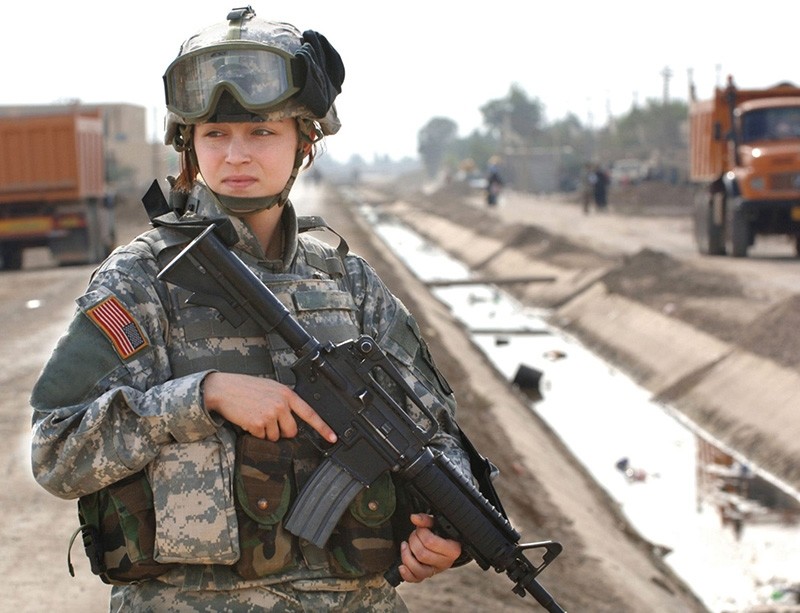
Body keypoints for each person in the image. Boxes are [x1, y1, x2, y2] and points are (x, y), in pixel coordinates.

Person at [30, 7, 470, 611]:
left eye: (262, 132)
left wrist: (445, 537)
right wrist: (202, 395)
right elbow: (56, 451)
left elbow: (439, 435)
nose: (236, 155)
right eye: (215, 134)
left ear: (303, 143)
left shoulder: (351, 284)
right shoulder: (140, 281)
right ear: (190, 144)